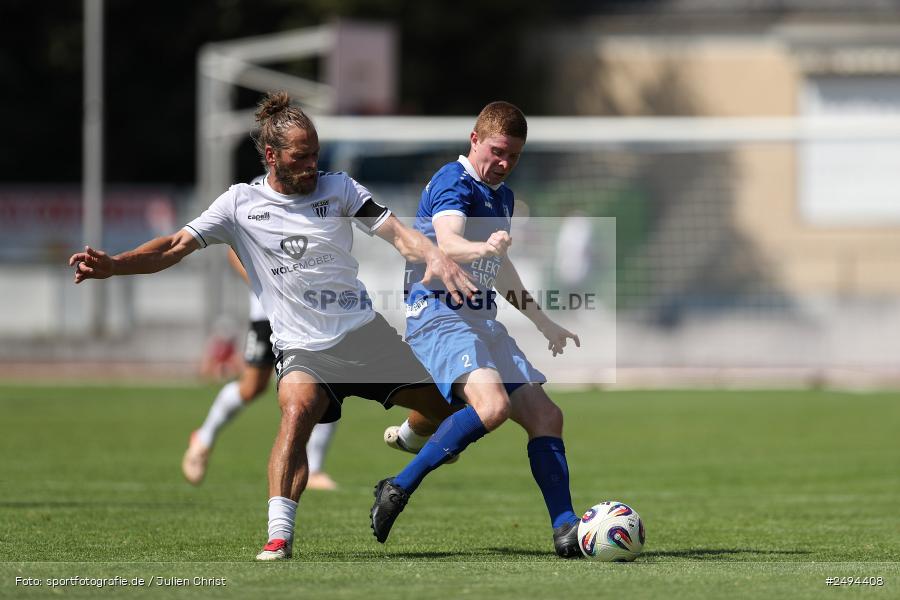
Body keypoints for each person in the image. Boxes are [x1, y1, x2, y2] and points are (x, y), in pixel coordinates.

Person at [69, 91, 476, 561]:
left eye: (315, 154)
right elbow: (174, 246)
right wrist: (115, 265)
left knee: (453, 409)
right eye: (300, 157)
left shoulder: (340, 188)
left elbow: (399, 235)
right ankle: (279, 535)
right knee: (296, 413)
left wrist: (435, 258)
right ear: (272, 155)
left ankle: (407, 438)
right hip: (303, 348)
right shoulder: (239, 203)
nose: (311, 165)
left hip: (363, 333)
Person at [370, 101, 584, 558]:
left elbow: (500, 270)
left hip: (481, 321)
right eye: (497, 151)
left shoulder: (501, 196)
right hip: (439, 317)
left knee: (547, 417)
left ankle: (565, 527)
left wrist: (543, 321)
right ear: (475, 139)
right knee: (493, 406)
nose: (504, 163)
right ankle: (398, 487)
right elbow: (446, 242)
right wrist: (484, 247)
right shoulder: (454, 180)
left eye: (514, 156)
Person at [182, 245, 339, 491]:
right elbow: (233, 251)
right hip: (267, 315)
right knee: (252, 387)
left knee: (326, 384)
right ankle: (203, 439)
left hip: (308, 313)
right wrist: (267, 287)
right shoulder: (255, 218)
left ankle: (315, 469)